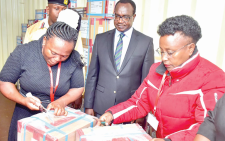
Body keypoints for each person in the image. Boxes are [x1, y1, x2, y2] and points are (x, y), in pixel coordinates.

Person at [98, 15, 225, 141]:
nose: (163, 58)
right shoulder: (155, 70)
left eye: (170, 52)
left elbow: (206, 128)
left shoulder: (212, 77)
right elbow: (139, 103)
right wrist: (112, 114)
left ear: (190, 48)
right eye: (161, 51)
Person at [0, 9, 84, 141]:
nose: (57, 59)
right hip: (26, 114)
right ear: (45, 40)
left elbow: (78, 87)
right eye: (53, 53)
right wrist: (23, 100)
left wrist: (61, 102)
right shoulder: (23, 52)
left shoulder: (74, 58)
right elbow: (5, 82)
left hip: (58, 116)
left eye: (64, 56)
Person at [84, 0, 154, 123]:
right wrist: (88, 105)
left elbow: (146, 82)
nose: (120, 21)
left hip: (128, 108)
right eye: (117, 16)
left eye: (125, 17)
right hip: (101, 105)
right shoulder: (101, 39)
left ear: (134, 17)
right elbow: (92, 75)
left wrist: (141, 112)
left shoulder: (145, 42)